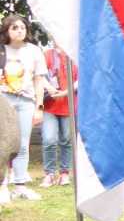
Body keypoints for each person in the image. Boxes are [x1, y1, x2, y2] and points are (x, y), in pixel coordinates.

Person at [1, 15, 46, 202]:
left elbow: (39, 80)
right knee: (4, 143)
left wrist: (39, 107)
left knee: (23, 143)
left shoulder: (34, 51)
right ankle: (3, 185)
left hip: (26, 101)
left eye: (22, 27)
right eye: (15, 27)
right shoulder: (2, 50)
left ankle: (20, 185)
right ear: (7, 31)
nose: (19, 31)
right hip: (4, 100)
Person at [39, 42, 73, 189]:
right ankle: (49, 174)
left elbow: (80, 78)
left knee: (67, 140)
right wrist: (50, 88)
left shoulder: (73, 55)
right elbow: (39, 75)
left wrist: (65, 92)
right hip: (49, 105)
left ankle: (65, 172)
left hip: (68, 105)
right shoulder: (47, 54)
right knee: (49, 139)